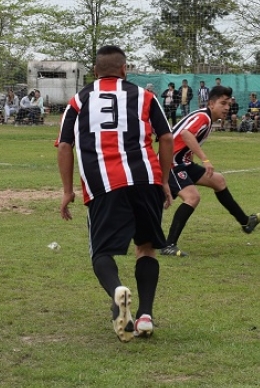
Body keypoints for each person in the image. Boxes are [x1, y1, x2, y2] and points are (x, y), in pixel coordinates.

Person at [57, 45, 174, 341]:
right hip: (145, 177)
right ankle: (146, 315)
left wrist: (68, 190)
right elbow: (166, 136)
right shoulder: (145, 97)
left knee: (101, 251)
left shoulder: (78, 100)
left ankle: (117, 292)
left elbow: (64, 145)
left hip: (104, 183)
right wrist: (164, 180)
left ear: (95, 72)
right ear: (125, 69)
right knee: (146, 247)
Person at [160, 85, 260, 257]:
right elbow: (187, 135)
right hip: (170, 163)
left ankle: (246, 222)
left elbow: (182, 139)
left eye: (229, 103)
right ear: (211, 103)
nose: (227, 107)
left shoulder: (206, 117)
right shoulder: (203, 117)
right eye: (223, 103)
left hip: (182, 162)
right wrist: (205, 160)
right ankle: (168, 245)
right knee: (192, 197)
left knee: (219, 181)